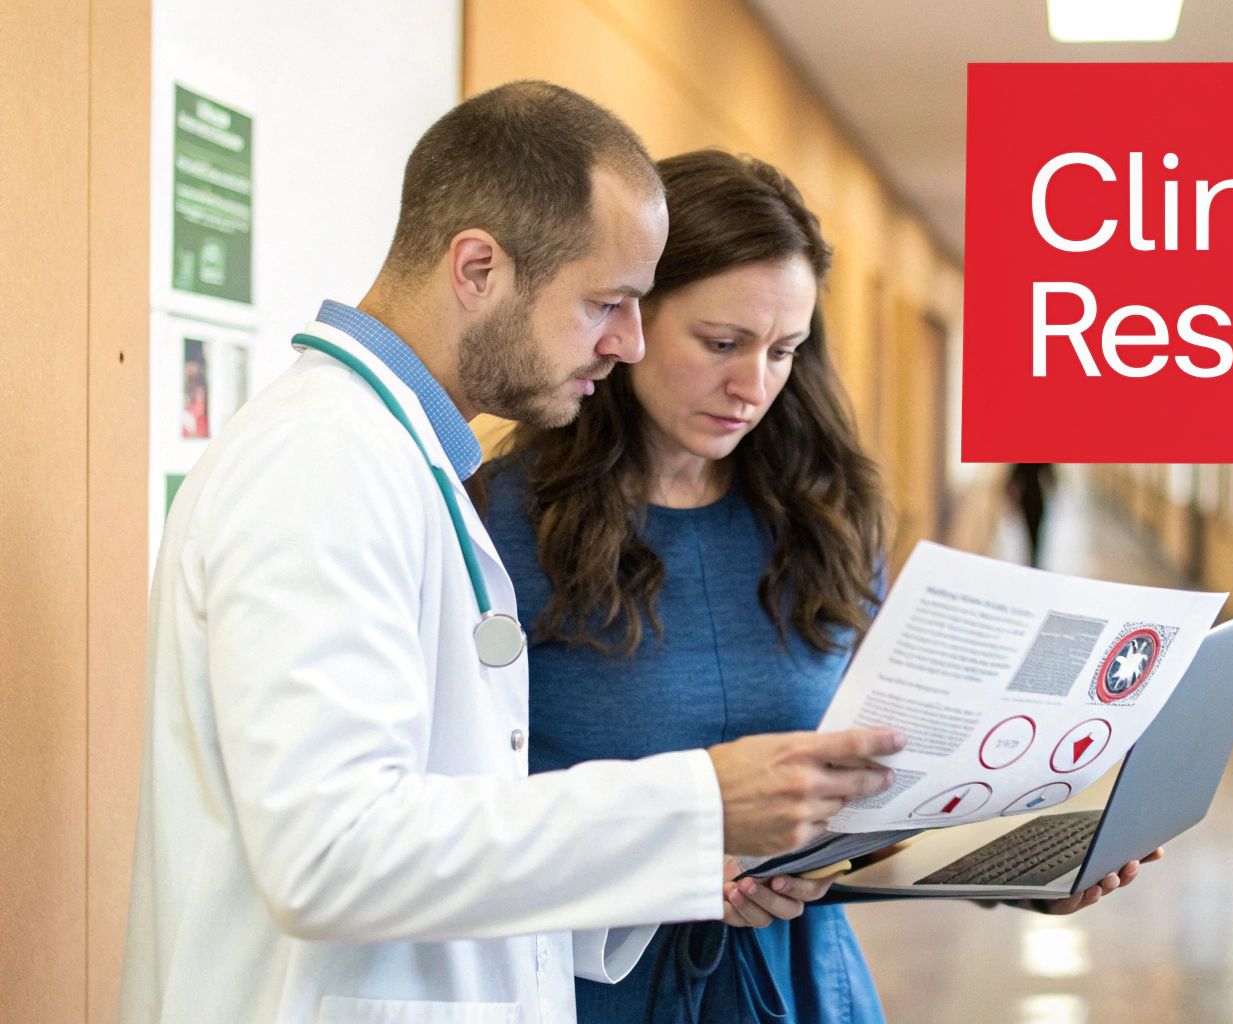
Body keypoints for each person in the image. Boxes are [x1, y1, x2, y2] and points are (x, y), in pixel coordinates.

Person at [120, 82, 904, 1024]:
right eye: (605, 303)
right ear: (479, 268)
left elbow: (454, 837)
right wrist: (696, 803)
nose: (626, 341)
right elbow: (330, 854)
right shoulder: (323, 462)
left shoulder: (400, 462)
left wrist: (699, 864)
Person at [475, 150, 1151, 1023]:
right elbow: (450, 814)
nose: (752, 386)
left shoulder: (822, 521)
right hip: (585, 990)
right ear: (630, 316)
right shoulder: (503, 527)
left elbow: (872, 801)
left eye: (783, 350)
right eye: (721, 343)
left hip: (799, 988)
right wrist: (665, 859)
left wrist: (1009, 868)